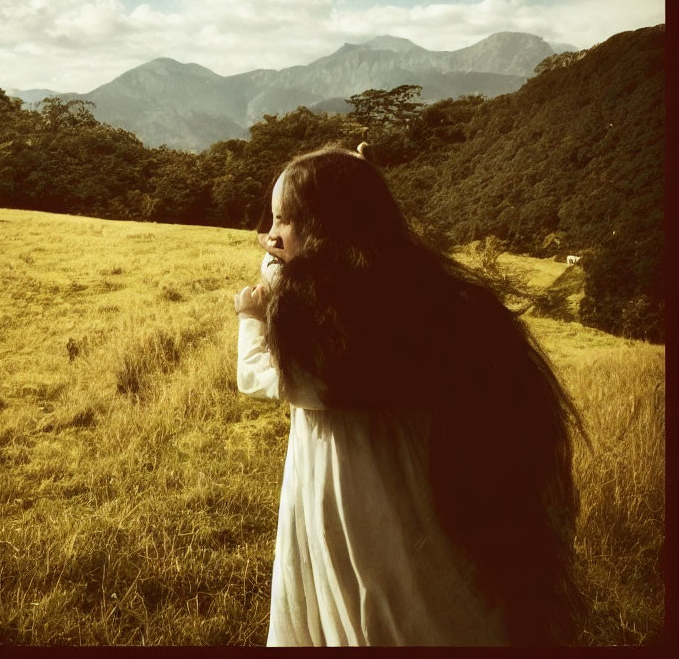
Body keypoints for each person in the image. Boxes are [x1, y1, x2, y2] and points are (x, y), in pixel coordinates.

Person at [233, 145, 587, 647]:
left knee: (377, 614)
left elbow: (260, 377)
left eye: (285, 220)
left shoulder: (321, 331)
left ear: (327, 229)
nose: (270, 236)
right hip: (421, 503)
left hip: (364, 514)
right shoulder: (414, 295)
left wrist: (250, 317)